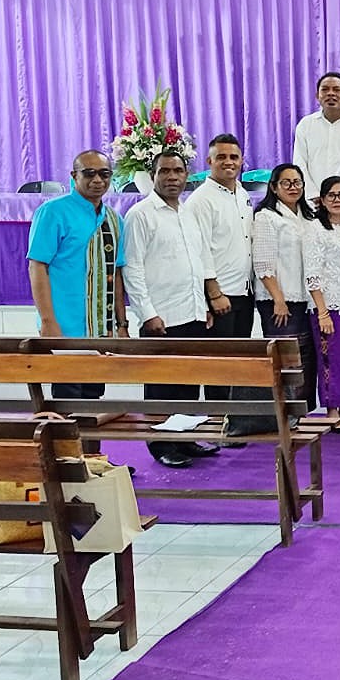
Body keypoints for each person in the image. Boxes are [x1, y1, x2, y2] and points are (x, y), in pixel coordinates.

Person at [124, 151, 218, 467]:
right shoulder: (140, 214)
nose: (172, 177)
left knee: (189, 384)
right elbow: (132, 268)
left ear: (186, 175)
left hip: (191, 310)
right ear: (153, 175)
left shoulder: (188, 213)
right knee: (162, 386)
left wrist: (204, 303)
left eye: (178, 171)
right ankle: (161, 444)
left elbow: (200, 259)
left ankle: (184, 439)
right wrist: (147, 312)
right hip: (160, 316)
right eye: (165, 171)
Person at [28, 150, 127, 400]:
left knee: (93, 400)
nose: (97, 180)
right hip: (65, 326)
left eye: (104, 174)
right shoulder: (53, 212)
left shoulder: (115, 220)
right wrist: (48, 321)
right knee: (68, 404)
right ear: (74, 176)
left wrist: (121, 325)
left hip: (100, 330)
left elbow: (115, 273)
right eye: (89, 173)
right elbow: (37, 266)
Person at [183, 134, 258, 411]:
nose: (229, 162)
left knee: (238, 362)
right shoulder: (201, 200)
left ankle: (235, 419)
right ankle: (218, 422)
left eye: (234, 157)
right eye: (222, 157)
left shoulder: (240, 192)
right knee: (218, 364)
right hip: (220, 295)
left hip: (244, 291)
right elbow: (199, 250)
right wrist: (213, 294)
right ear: (209, 161)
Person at [252, 163, 318, 420]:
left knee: (304, 357)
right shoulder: (267, 217)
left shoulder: (307, 216)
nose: (293, 187)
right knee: (286, 360)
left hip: (303, 298)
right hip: (278, 300)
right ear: (274, 187)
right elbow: (264, 263)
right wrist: (278, 299)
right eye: (286, 183)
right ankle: (284, 414)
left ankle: (301, 411)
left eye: (297, 182)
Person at [303, 176, 340, 432]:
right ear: (323, 200)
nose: (337, 199)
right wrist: (322, 312)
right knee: (332, 360)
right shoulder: (315, 229)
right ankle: (331, 412)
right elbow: (313, 273)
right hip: (329, 305)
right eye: (331, 195)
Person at [292, 72, 340, 192]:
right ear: (317, 95)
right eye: (325, 89)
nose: (331, 93)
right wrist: (312, 194)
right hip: (314, 200)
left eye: (337, 90)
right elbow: (299, 163)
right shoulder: (306, 124)